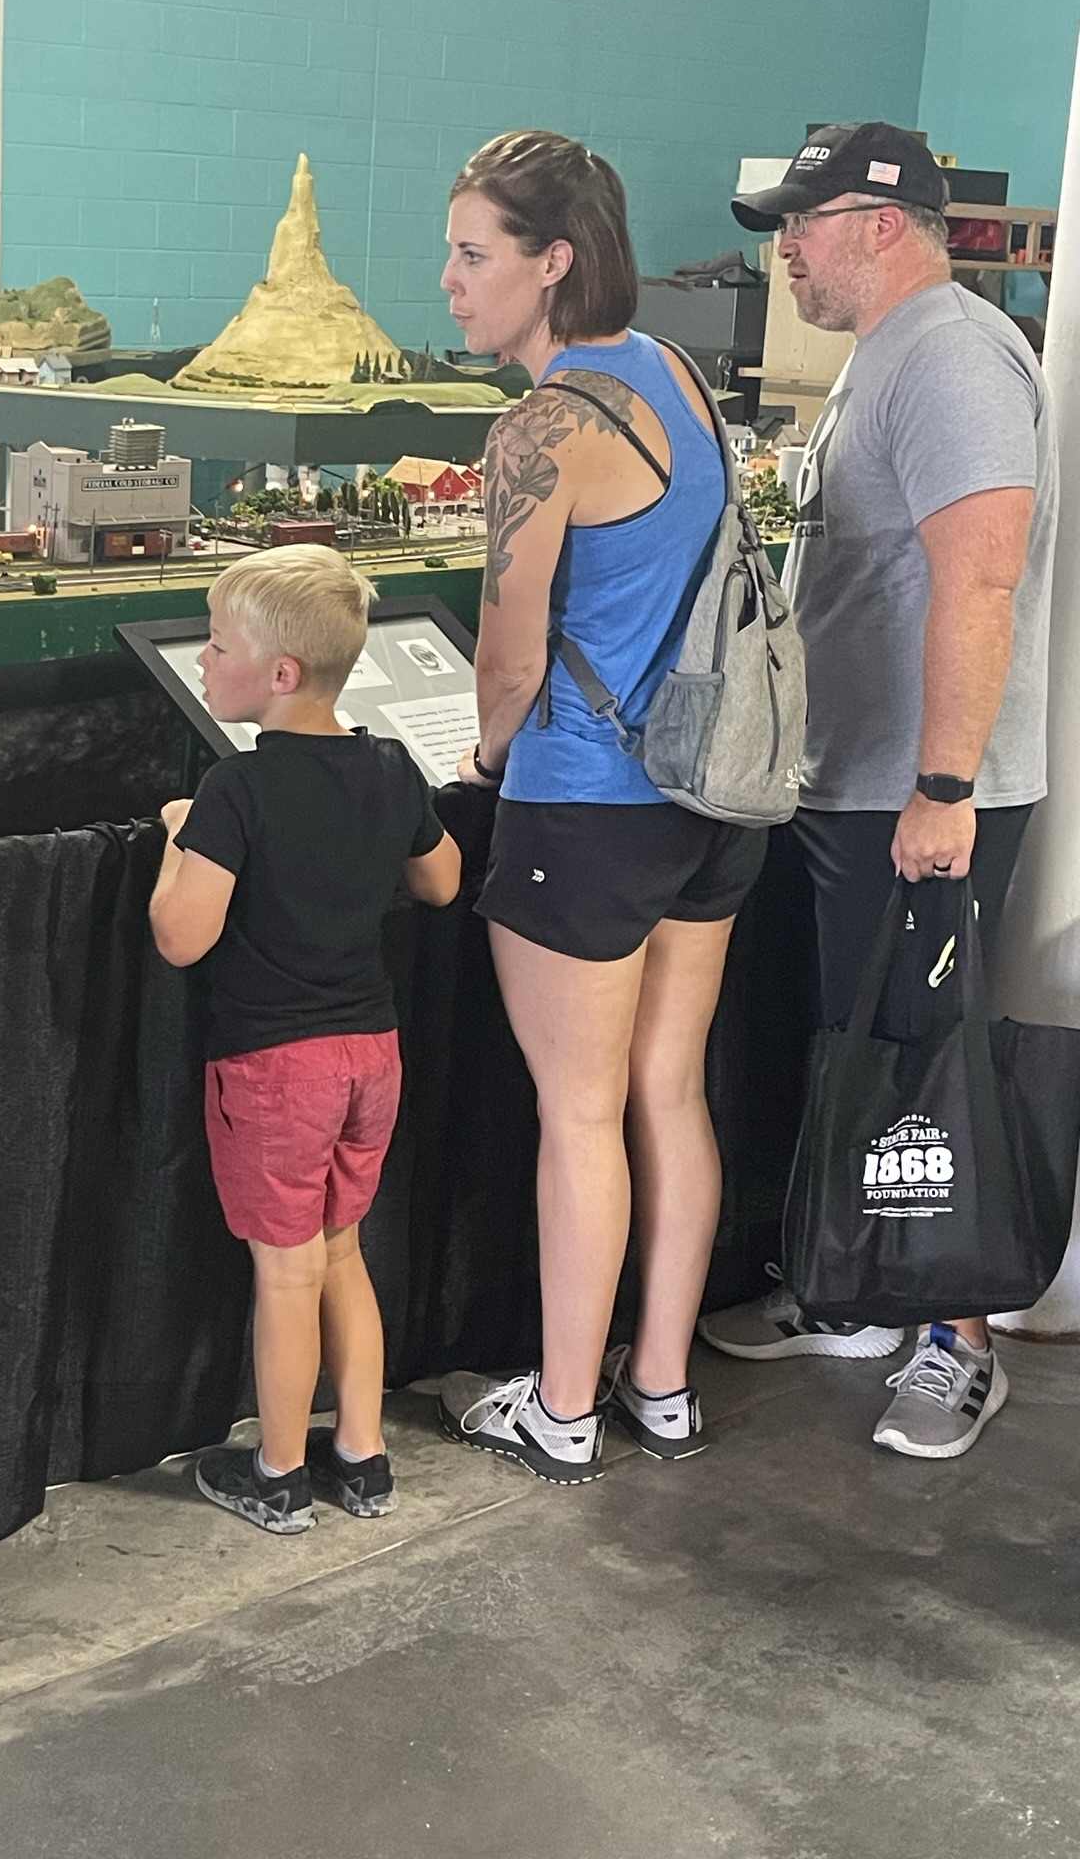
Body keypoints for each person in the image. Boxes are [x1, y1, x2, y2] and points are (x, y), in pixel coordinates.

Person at [700, 121, 1059, 1460]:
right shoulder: (886, 356)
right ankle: (855, 1288)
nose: (784, 249)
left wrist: (945, 786)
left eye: (802, 221)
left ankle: (954, 1340)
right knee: (859, 1043)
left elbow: (981, 576)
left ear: (883, 223)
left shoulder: (954, 356)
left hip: (923, 792)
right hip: (852, 785)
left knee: (925, 1061)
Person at [435, 130, 768, 1484]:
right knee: (667, 1090)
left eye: (472, 253)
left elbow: (509, 656)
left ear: (550, 261)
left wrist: (485, 755)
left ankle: (563, 1409)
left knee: (577, 1112)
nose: (450, 281)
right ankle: (665, 1384)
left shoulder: (543, 426)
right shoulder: (675, 372)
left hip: (590, 802)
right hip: (713, 790)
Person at [149, 545, 462, 1533]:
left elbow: (180, 932)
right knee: (344, 1252)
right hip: (372, 1052)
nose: (203, 658)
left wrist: (177, 831)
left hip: (276, 1067)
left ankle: (279, 1470)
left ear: (279, 672)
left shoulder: (235, 790)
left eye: (219, 641)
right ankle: (361, 1457)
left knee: (285, 1273)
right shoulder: (385, 765)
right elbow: (443, 878)